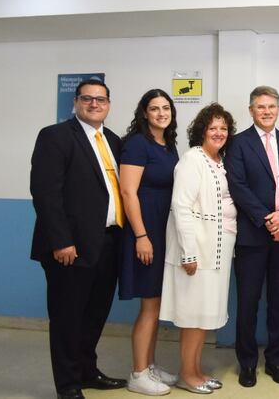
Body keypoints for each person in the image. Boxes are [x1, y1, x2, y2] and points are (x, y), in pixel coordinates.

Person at [30, 78, 128, 399]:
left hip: (109, 242)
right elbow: (46, 193)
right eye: (87, 99)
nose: (94, 104)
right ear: (76, 102)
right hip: (71, 247)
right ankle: (68, 385)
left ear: (109, 104)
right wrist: (61, 241)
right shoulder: (55, 136)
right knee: (67, 318)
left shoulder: (113, 141)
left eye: (100, 99)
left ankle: (87, 371)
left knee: (95, 315)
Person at [225, 86, 279, 387]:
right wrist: (268, 220)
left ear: (278, 109)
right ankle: (247, 363)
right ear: (251, 110)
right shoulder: (238, 143)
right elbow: (238, 187)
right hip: (253, 237)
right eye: (260, 107)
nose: (267, 111)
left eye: (271, 106)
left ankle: (275, 361)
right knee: (248, 302)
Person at [159, 103, 237, 395]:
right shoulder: (193, 159)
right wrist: (189, 253)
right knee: (193, 316)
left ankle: (195, 370)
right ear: (202, 131)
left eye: (223, 128)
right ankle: (186, 375)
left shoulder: (218, 160)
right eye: (212, 127)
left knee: (203, 315)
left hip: (216, 251)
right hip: (198, 253)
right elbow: (181, 207)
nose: (218, 133)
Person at [118, 89, 180, 395]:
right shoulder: (137, 144)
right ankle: (138, 373)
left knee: (155, 301)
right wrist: (141, 236)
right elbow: (128, 192)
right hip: (146, 231)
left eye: (165, 108)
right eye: (154, 108)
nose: (161, 113)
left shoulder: (168, 144)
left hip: (163, 230)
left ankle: (149, 366)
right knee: (150, 305)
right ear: (144, 113)